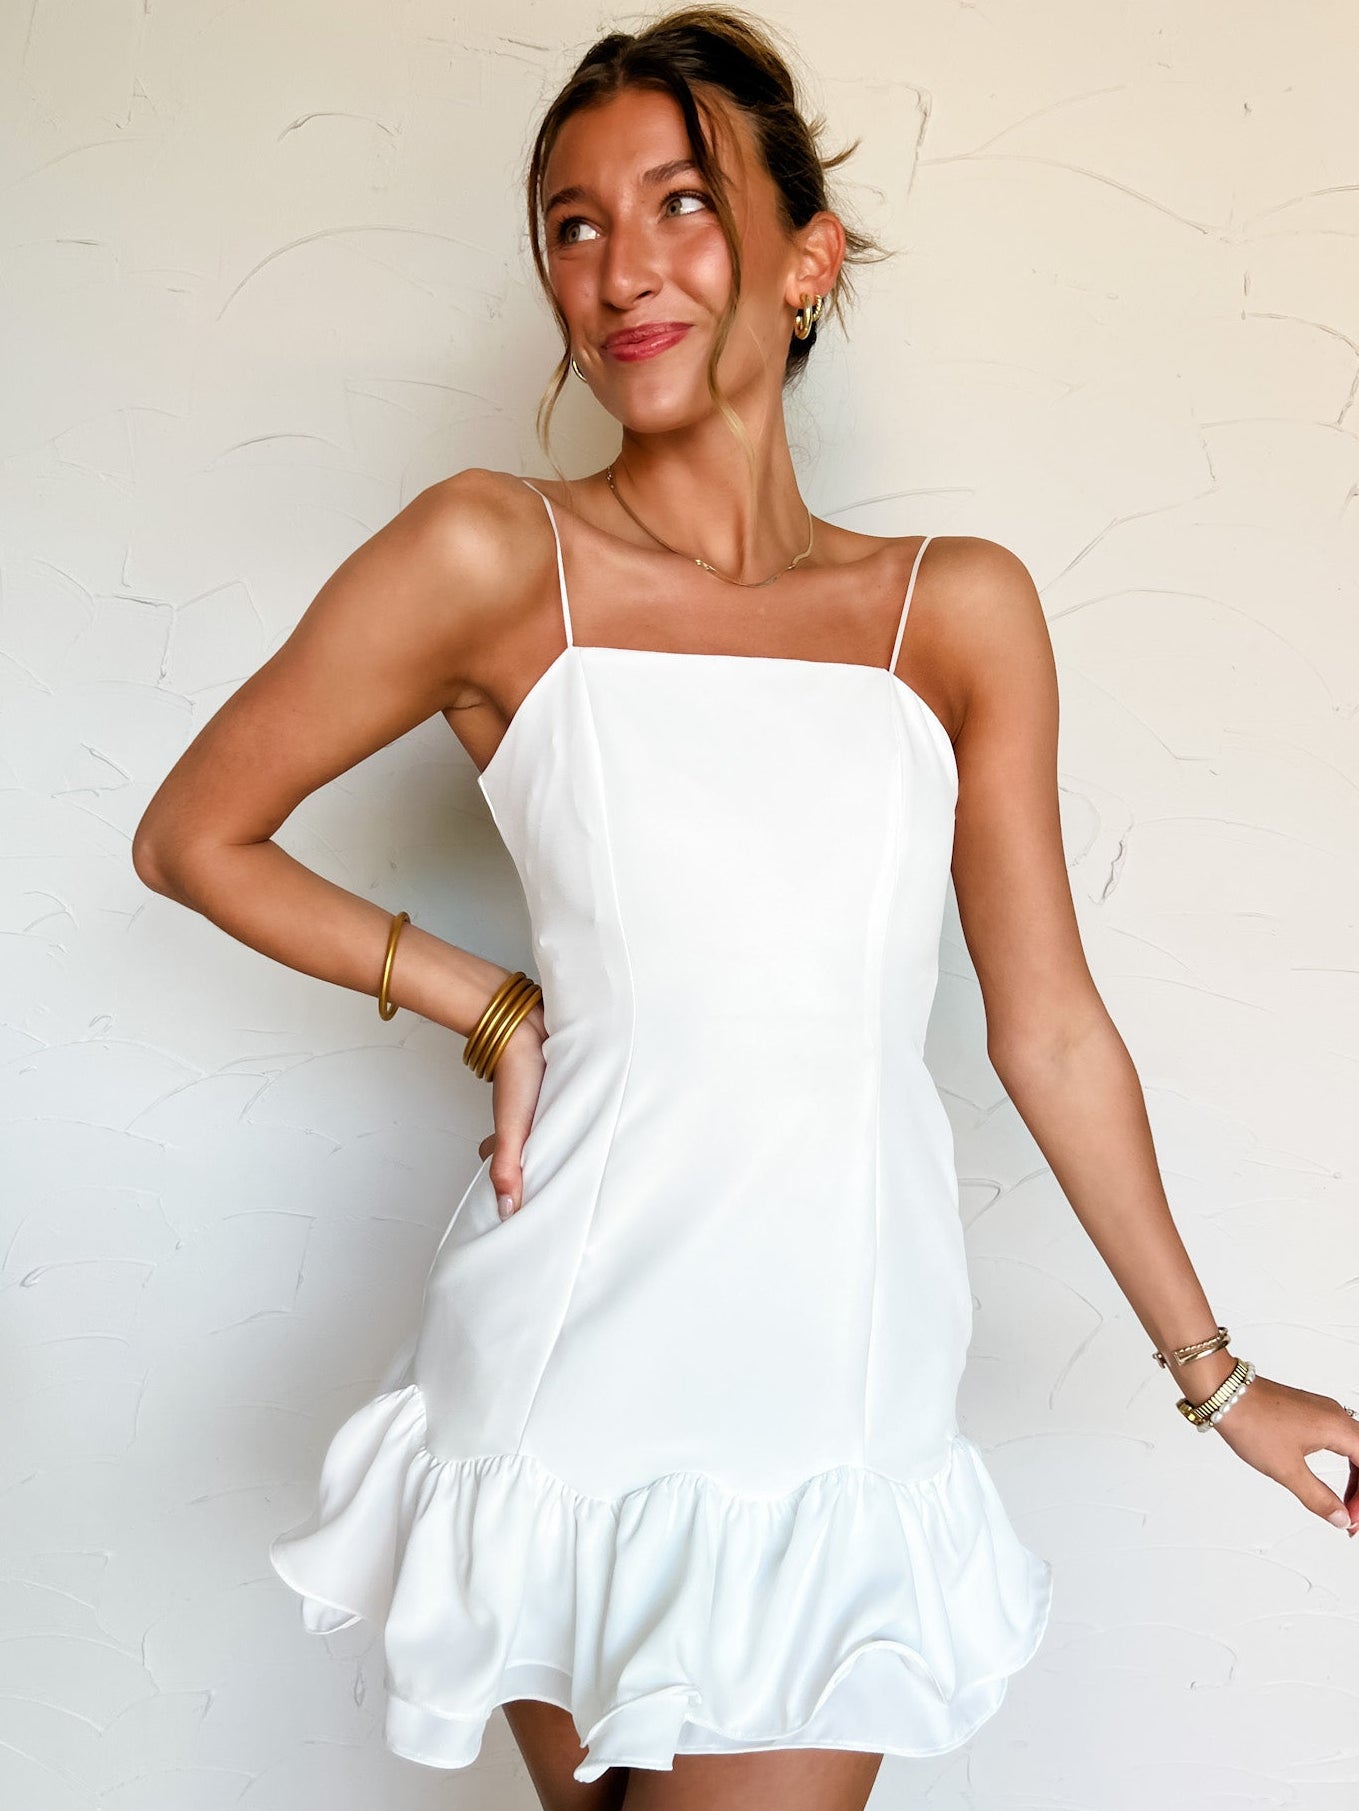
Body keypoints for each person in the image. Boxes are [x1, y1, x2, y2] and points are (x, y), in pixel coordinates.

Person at [131, 7, 1359, 1809]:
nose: (622, 266)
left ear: (806, 255)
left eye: (683, 203)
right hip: (565, 1371)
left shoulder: (960, 609)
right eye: (570, 222)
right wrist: (483, 999)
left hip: (836, 1385)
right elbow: (193, 837)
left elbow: (1051, 1025)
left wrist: (1217, 1378)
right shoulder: (490, 556)